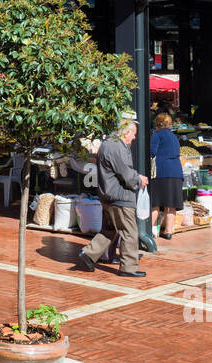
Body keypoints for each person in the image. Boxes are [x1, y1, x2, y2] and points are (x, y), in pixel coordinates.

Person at [76, 113, 148, 278]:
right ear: (126, 132)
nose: (134, 138)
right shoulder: (116, 146)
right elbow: (125, 173)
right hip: (119, 197)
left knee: (110, 230)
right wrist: (139, 179)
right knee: (129, 231)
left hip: (108, 195)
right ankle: (128, 268)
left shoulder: (108, 144)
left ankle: (88, 254)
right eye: (133, 134)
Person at [148, 112, 184, 241]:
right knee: (171, 203)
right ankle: (168, 231)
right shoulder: (174, 136)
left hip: (161, 171)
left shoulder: (156, 135)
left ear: (157, 123)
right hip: (176, 172)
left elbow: (152, 152)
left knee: (155, 202)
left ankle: (147, 231)